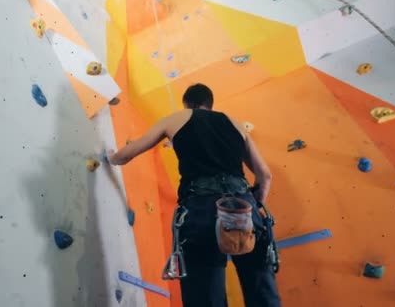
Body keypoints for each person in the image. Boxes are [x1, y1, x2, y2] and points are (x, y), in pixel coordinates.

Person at [107, 83, 281, 306]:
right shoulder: (236, 126)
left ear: (186, 103)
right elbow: (265, 175)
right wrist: (252, 206)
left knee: (205, 296)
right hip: (243, 207)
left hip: (202, 211)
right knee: (263, 293)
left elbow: (128, 154)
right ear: (211, 103)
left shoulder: (176, 119)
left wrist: (113, 157)